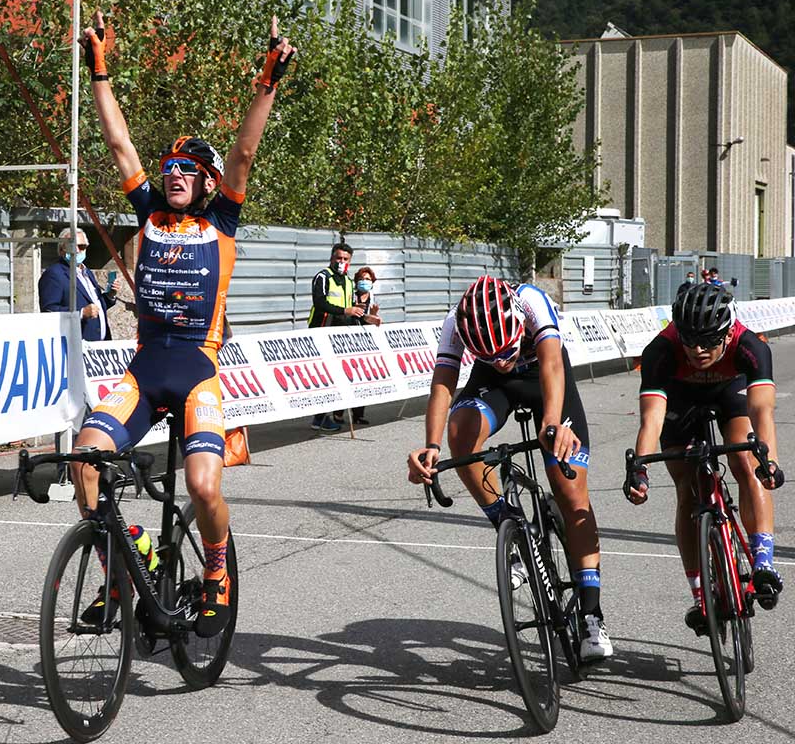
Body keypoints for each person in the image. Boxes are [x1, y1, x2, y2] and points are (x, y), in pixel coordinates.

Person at [70, 12, 294, 637]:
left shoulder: (222, 221)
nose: (173, 173)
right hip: (143, 372)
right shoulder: (149, 213)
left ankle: (217, 572)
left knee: (202, 486)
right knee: (84, 460)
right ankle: (124, 570)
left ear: (207, 183)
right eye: (169, 166)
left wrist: (267, 82)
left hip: (197, 373)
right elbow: (120, 144)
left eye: (187, 169)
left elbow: (244, 151)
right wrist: (99, 70)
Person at [407, 276, 614, 661]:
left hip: (545, 380)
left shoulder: (531, 300)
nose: (502, 360)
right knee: (460, 434)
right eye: (488, 354)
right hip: (495, 388)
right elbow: (442, 385)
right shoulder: (457, 322)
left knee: (570, 492)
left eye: (505, 350)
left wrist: (551, 424)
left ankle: (591, 614)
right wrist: (431, 446)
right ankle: (511, 527)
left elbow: (552, 364)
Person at [624, 283, 783, 634]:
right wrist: (641, 470)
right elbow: (651, 420)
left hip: (729, 392)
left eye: (709, 341)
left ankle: (763, 561)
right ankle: (700, 594)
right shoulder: (660, 350)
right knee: (687, 489)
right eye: (690, 340)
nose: (698, 350)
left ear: (727, 333)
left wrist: (768, 461)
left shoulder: (750, 346)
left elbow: (762, 412)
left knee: (747, 463)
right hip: (679, 398)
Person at [308, 242, 363, 432]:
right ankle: (319, 417)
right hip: (322, 330)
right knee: (324, 375)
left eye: (346, 259)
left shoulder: (348, 281)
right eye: (339, 258)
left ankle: (331, 414)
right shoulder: (323, 277)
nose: (342, 261)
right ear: (332, 258)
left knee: (338, 375)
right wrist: (345, 310)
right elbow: (320, 302)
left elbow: (350, 307)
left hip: (341, 334)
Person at [38, 228, 124, 341]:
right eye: (72, 246)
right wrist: (81, 313)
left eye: (82, 246)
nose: (77, 250)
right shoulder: (54, 274)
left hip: (100, 344)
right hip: (75, 344)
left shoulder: (86, 272)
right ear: (62, 249)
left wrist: (110, 295)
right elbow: (49, 311)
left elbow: (95, 306)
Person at [336, 266, 381, 426]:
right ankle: (338, 414)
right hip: (346, 341)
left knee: (361, 379)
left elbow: (375, 321)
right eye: (361, 279)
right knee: (344, 378)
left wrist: (373, 317)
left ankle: (358, 414)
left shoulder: (374, 300)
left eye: (367, 279)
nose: (364, 282)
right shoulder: (350, 297)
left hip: (365, 343)